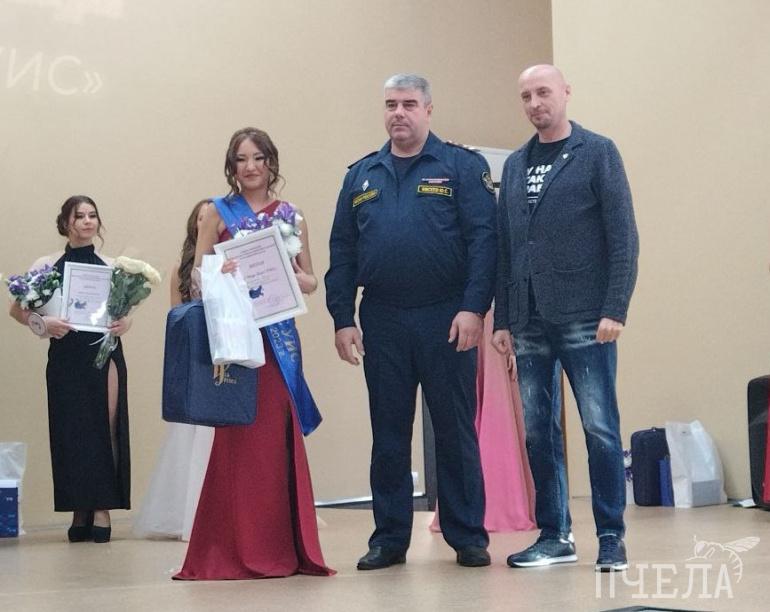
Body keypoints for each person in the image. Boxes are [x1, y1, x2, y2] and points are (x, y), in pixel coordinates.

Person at [325, 74, 497, 569]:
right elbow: (343, 250)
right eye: (390, 105)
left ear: (428, 109)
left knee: (454, 430)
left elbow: (484, 242)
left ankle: (468, 536)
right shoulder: (362, 175)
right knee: (389, 434)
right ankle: (389, 538)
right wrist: (343, 318)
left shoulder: (461, 167)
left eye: (408, 104)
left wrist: (474, 308)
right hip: (383, 318)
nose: (398, 113)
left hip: (447, 315)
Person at [492, 64, 639, 572]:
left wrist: (615, 308)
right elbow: (507, 249)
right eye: (526, 96)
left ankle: (611, 537)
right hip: (528, 319)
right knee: (538, 431)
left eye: (543, 92)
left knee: (599, 427)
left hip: (586, 315)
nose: (535, 103)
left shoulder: (597, 152)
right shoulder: (514, 165)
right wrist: (503, 319)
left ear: (565, 93)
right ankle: (554, 535)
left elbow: (623, 237)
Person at [174, 127, 333, 579]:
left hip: (278, 340)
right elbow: (196, 279)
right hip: (236, 339)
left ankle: (283, 547)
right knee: (239, 437)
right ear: (231, 166)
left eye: (258, 158)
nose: (250, 167)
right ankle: (234, 547)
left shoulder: (291, 214)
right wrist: (219, 271)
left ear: (271, 163)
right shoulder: (215, 211)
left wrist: (285, 272)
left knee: (275, 436)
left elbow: (311, 280)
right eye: (241, 159)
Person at [8, 195, 132, 543]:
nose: (88, 221)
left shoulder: (111, 265)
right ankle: (80, 508)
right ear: (66, 223)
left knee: (104, 426)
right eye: (80, 216)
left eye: (93, 215)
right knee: (72, 431)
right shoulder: (46, 265)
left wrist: (125, 323)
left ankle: (102, 508)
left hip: (104, 354)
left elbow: (123, 314)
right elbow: (17, 311)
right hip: (66, 358)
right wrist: (43, 323)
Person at [133, 200, 215, 540]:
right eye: (201, 218)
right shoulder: (180, 271)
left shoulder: (230, 261)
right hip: (197, 356)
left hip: (228, 355)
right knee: (191, 436)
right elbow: (177, 318)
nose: (207, 223)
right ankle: (190, 514)